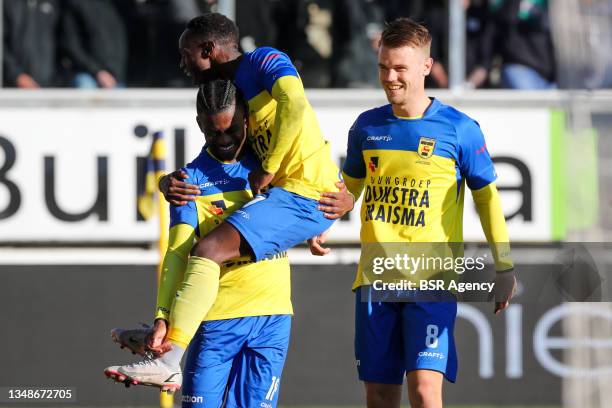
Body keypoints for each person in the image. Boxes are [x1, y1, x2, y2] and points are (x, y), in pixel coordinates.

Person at [107, 12, 353, 388]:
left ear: (208, 49)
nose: (182, 65)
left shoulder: (262, 60)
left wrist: (272, 170)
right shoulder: (232, 98)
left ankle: (171, 355)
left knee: (208, 249)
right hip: (295, 199)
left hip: (305, 197)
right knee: (200, 248)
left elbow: (298, 106)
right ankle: (167, 337)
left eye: (186, 54)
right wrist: (165, 181)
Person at [333, 18, 516, 407]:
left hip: (431, 281)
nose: (390, 77)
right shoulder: (366, 127)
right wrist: (324, 219)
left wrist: (504, 266)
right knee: (379, 396)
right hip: (375, 278)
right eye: (384, 66)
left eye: (400, 67)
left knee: (425, 391)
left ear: (426, 67)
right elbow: (348, 188)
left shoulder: (459, 129)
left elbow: (487, 199)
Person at [106, 81, 293, 406]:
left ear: (246, 119)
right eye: (212, 133)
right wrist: (163, 315)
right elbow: (178, 253)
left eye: (230, 130)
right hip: (218, 320)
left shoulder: (272, 163)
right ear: (199, 126)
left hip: (273, 317)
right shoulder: (188, 182)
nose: (223, 141)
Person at [60, 0, 127, 89]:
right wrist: (97, 71)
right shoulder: (74, 5)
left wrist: (113, 73)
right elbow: (72, 46)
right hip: (86, 75)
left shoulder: (113, 6)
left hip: (114, 77)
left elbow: (120, 43)